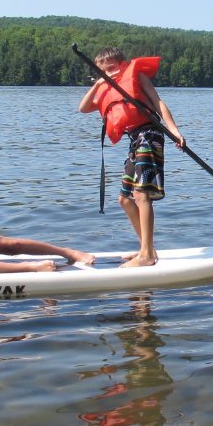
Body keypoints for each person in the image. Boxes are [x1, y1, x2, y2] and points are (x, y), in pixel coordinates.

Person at [78, 47, 186, 268]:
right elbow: (83, 108)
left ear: (123, 64)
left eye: (112, 68)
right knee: (125, 199)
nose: (109, 74)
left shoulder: (137, 76)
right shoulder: (106, 87)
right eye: (103, 71)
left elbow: (158, 103)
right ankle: (148, 249)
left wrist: (174, 130)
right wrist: (99, 83)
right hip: (135, 139)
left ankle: (146, 255)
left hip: (151, 133)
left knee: (140, 194)